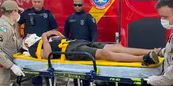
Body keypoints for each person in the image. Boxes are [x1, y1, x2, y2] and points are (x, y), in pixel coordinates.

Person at [17, 0, 62, 86]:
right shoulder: (27, 13)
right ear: (32, 2)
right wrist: (18, 37)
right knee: (35, 71)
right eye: (35, 2)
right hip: (32, 47)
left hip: (45, 46)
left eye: (39, 2)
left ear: (42, 2)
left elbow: (55, 28)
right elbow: (17, 24)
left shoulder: (48, 14)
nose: (37, 4)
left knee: (49, 70)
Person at [22, 31, 159, 65]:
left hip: (75, 42)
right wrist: (45, 36)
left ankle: (152, 51)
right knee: (105, 53)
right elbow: (48, 55)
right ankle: (144, 58)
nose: (28, 33)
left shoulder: (41, 38)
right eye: (26, 36)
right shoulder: (33, 49)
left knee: (116, 46)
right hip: (70, 50)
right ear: (26, 44)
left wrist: (53, 33)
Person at [64, 0, 97, 86]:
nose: (77, 7)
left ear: (83, 5)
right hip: (73, 49)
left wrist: (93, 45)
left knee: (85, 73)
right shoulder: (70, 18)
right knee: (75, 71)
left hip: (86, 48)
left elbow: (94, 32)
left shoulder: (88, 17)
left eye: (79, 5)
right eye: (75, 4)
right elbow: (65, 35)